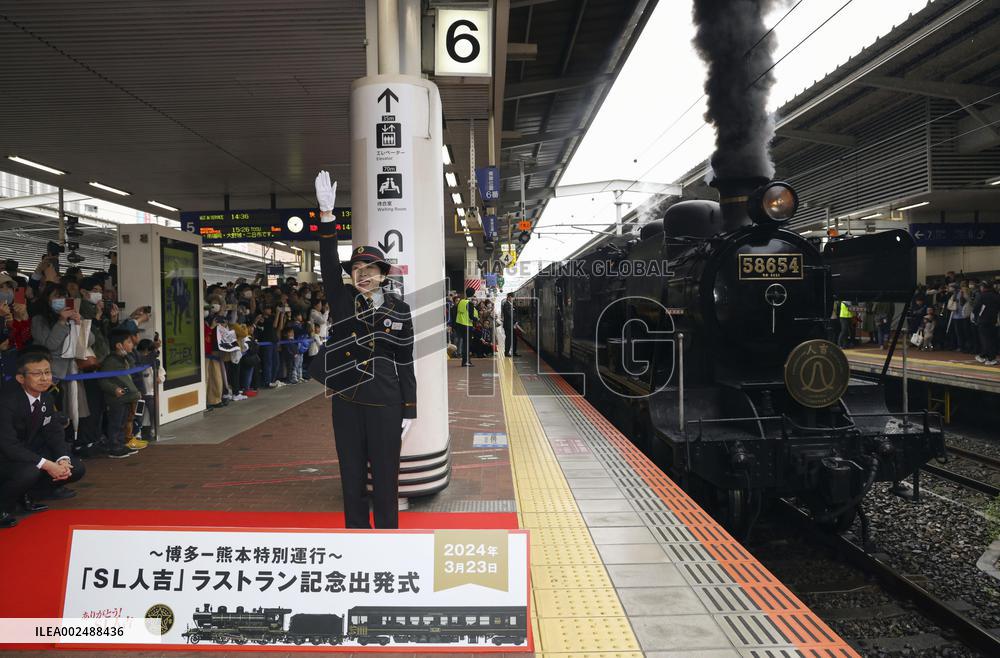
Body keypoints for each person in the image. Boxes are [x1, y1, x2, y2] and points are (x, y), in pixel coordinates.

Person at [310, 171, 416, 529]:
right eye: (356, 269)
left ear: (383, 274)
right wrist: (328, 218)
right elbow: (326, 266)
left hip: (386, 402)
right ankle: (355, 535)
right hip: (347, 401)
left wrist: (409, 409)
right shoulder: (343, 301)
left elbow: (405, 359)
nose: (362, 274)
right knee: (351, 476)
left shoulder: (399, 309)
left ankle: (387, 536)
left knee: (386, 479)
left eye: (369, 268)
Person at [0, 350, 87, 529]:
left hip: (27, 452)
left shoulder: (46, 397)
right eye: (37, 373)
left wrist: (63, 459)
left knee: (75, 468)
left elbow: (54, 432)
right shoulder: (7, 401)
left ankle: (28, 496)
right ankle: (3, 507)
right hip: (5, 456)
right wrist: (47, 464)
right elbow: (8, 445)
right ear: (20, 378)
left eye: (47, 372)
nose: (44, 378)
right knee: (30, 471)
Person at [974, 282, 999, 366]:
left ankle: (989, 357)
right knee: (992, 339)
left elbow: (976, 307)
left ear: (983, 287)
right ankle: (987, 356)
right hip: (993, 320)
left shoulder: (982, 296)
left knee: (985, 339)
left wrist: (976, 317)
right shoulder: (996, 296)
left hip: (983, 320)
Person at [455, 287, 478, 366]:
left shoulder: (461, 302)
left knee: (464, 344)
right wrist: (477, 319)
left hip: (460, 325)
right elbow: (471, 316)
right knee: (467, 345)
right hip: (467, 326)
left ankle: (465, 361)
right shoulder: (470, 303)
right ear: (473, 294)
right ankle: (466, 362)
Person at [501, 292, 519, 357]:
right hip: (508, 325)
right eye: (512, 297)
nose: (513, 298)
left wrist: (516, 321)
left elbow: (515, 314)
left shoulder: (512, 305)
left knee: (514, 338)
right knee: (508, 339)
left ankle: (514, 352)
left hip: (513, 324)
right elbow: (509, 314)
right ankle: (506, 352)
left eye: (513, 297)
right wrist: (515, 321)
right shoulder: (506, 305)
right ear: (508, 297)